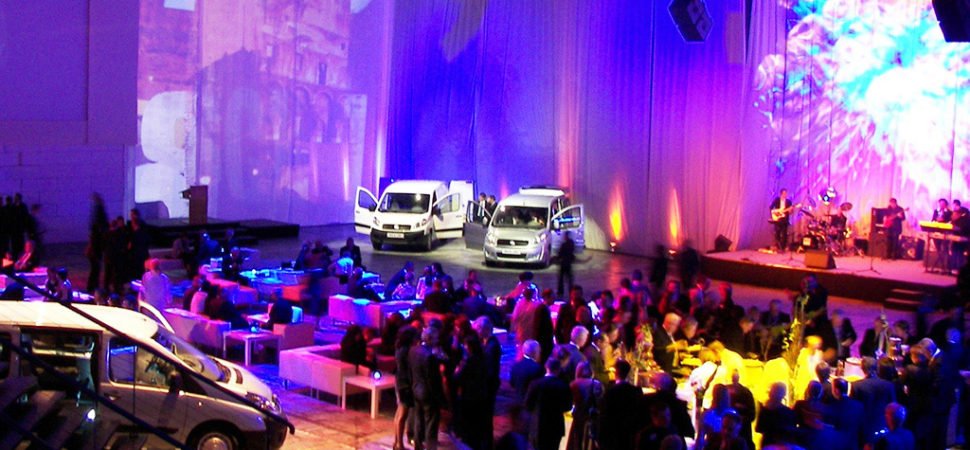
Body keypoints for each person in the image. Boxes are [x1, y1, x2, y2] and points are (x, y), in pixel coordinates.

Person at [410, 326, 446, 450]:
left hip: (416, 389)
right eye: (436, 338)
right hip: (428, 393)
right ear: (430, 339)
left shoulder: (413, 350)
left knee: (418, 419)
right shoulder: (430, 356)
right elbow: (432, 379)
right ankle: (431, 447)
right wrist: (439, 396)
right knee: (431, 422)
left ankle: (418, 445)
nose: (437, 340)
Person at [525, 357, 573, 450]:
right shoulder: (563, 385)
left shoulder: (535, 383)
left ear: (546, 367)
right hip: (555, 425)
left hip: (538, 425)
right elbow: (568, 406)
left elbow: (527, 404)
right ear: (558, 370)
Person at [598, 359, 643, 450]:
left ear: (616, 373)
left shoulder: (610, 392)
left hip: (613, 434)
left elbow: (604, 414)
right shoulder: (636, 391)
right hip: (630, 433)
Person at [850, 356, 896, 440]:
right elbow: (893, 406)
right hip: (883, 425)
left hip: (863, 427)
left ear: (862, 369)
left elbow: (852, 407)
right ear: (877, 368)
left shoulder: (856, 385)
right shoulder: (889, 385)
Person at [566, 362, 604, 450]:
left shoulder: (574, 384)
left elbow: (570, 402)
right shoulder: (596, 384)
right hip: (592, 418)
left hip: (578, 417)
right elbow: (601, 401)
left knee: (577, 442)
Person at [393, 326, 418, 450]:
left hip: (400, 382)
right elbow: (408, 370)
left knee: (399, 413)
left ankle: (397, 442)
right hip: (405, 384)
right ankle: (400, 445)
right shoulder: (406, 351)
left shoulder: (400, 349)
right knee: (403, 415)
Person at [822, 377, 864, 449]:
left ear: (836, 390)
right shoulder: (859, 405)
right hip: (853, 445)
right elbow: (862, 428)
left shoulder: (832, 408)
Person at [756, 382, 796, 447]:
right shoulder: (788, 412)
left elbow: (758, 429)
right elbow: (791, 430)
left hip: (767, 443)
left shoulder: (765, 410)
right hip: (783, 444)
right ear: (783, 394)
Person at [86, 193, 109, 292]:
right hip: (97, 246)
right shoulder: (100, 214)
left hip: (97, 246)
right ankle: (92, 286)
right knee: (96, 267)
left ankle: (92, 286)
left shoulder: (97, 214)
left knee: (95, 267)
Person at [557, 231, 576, 297]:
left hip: (563, 263)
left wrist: (558, 258)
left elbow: (560, 253)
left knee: (561, 279)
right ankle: (571, 291)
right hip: (568, 263)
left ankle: (560, 292)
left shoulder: (564, 244)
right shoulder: (571, 244)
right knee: (569, 279)